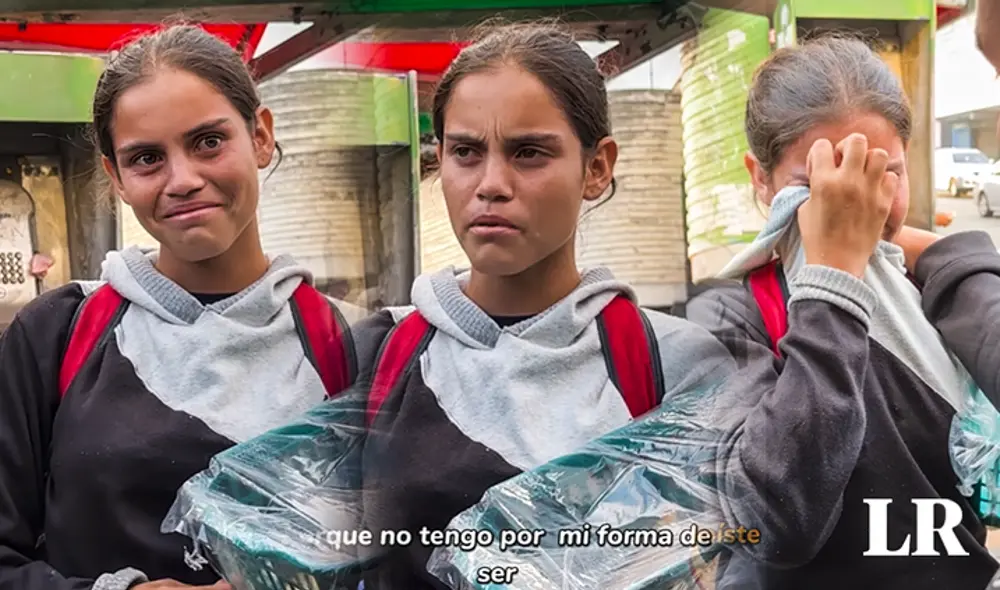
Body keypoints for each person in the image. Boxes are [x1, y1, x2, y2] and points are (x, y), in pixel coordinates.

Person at [343, 21, 736, 588]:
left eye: (529, 153)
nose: (491, 184)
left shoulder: (678, 368)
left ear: (596, 168)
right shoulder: (375, 355)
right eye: (465, 152)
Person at [0, 24, 361, 590]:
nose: (183, 179)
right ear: (115, 176)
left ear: (261, 136)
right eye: (147, 158)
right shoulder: (55, 336)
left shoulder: (349, 345)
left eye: (209, 142)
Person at [684, 36, 1000, 589]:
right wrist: (833, 279)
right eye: (821, 185)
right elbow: (775, 522)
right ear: (760, 178)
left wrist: (955, 258)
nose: (855, 205)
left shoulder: (937, 289)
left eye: (883, 175)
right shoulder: (733, 318)